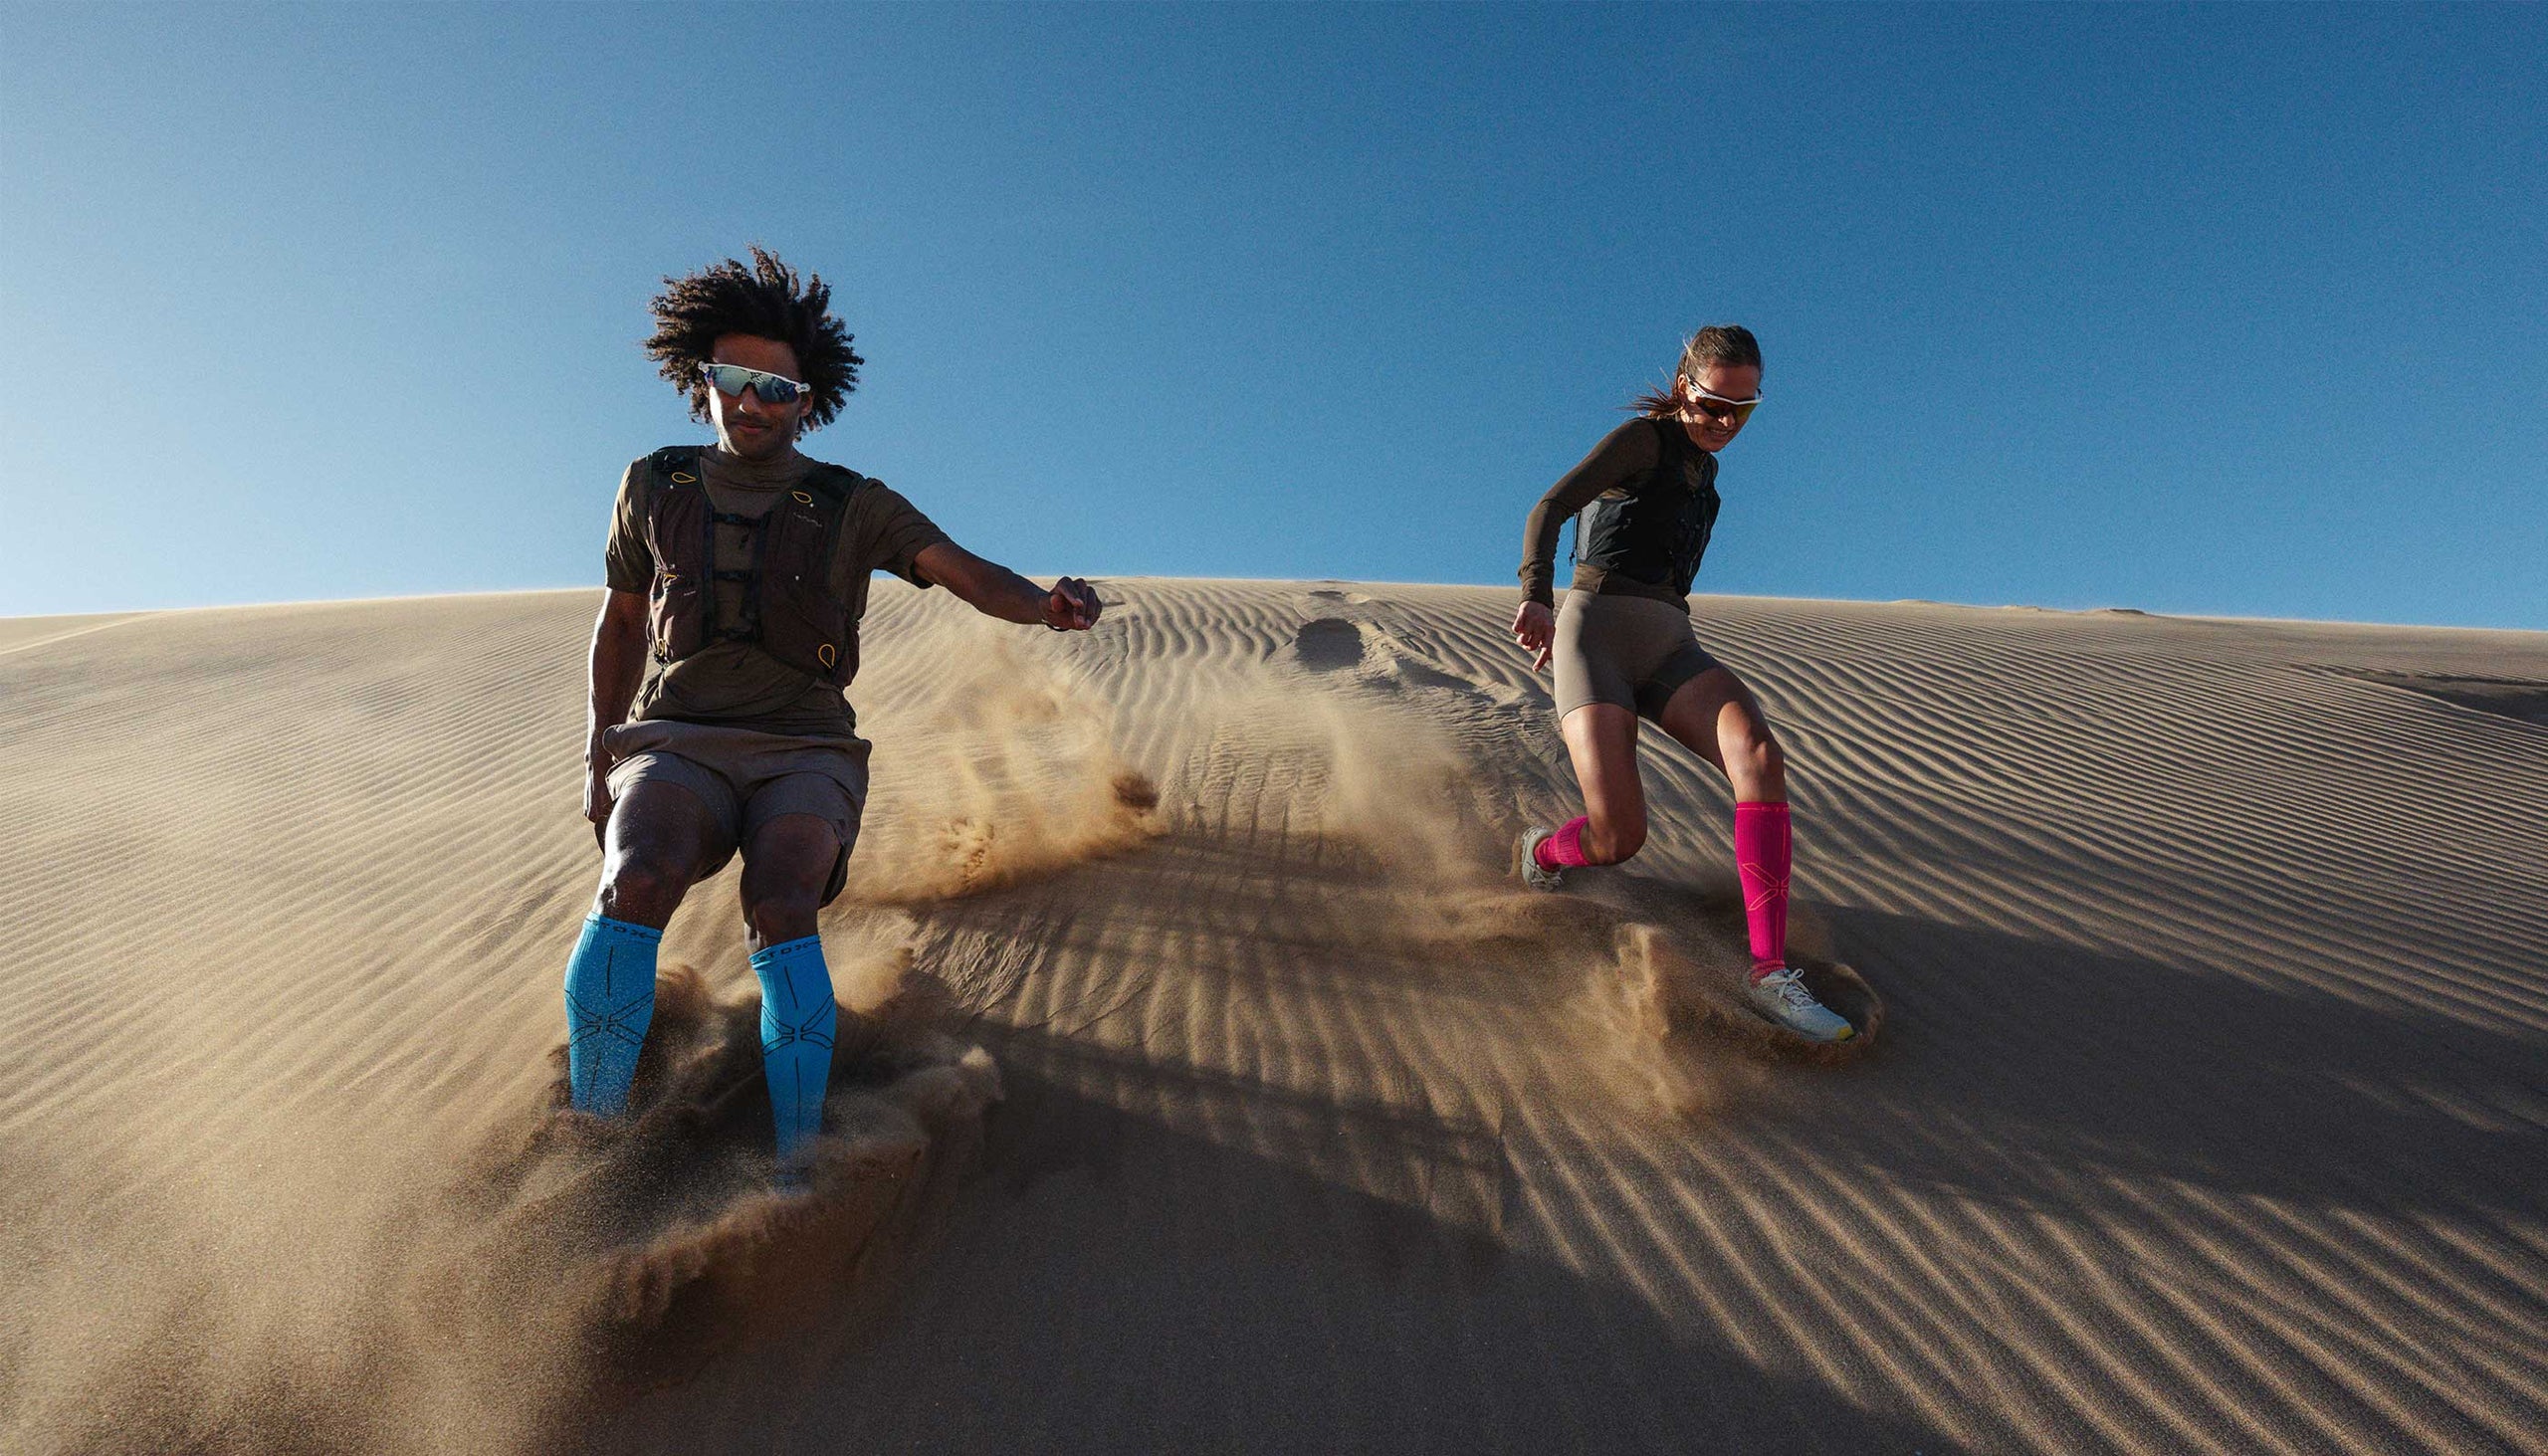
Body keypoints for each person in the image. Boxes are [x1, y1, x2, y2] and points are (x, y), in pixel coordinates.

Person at [562, 249, 1103, 1171]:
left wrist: (1043, 603)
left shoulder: (855, 502)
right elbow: (617, 623)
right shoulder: (652, 483)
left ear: (806, 397)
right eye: (730, 379)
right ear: (703, 385)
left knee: (780, 902)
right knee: (635, 880)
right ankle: (592, 1139)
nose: (751, 400)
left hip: (805, 751)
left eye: (775, 385)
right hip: (676, 737)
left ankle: (796, 1163)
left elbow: (968, 574)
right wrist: (598, 751)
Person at [1509, 325, 1852, 1042]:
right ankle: (1542, 852)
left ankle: (1768, 975)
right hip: (1593, 636)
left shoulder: (1708, 478)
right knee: (1619, 835)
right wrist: (1537, 594)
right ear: (1683, 385)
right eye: (1712, 404)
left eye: (1743, 410)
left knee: (1758, 753)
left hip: (1669, 643)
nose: (1725, 424)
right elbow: (1552, 507)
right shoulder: (1645, 440)